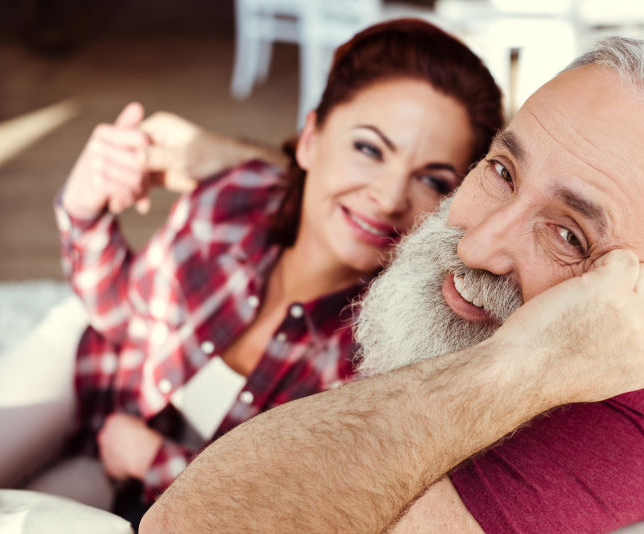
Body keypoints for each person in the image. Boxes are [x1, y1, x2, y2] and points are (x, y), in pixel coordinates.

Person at [141, 36, 644, 533]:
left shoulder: (623, 438)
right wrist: (270, 165)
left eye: (568, 237)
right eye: (501, 171)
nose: (476, 246)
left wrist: (521, 364)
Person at [44, 18, 504, 514]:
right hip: (100, 410)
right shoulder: (234, 201)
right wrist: (84, 212)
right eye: (369, 149)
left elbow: (287, 510)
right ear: (309, 139)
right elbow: (125, 315)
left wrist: (154, 459)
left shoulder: (389, 356)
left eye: (433, 182)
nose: (389, 198)